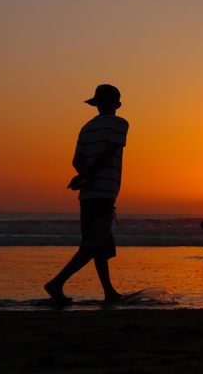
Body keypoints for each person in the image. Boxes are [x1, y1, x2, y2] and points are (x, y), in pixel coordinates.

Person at [44, 84, 129, 304]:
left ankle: (109, 291)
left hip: (88, 194)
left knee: (98, 243)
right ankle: (56, 283)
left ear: (96, 104)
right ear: (117, 105)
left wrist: (83, 176)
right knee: (93, 244)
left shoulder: (86, 128)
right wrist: (88, 176)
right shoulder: (120, 124)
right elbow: (108, 153)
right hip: (103, 191)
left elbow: (76, 160)